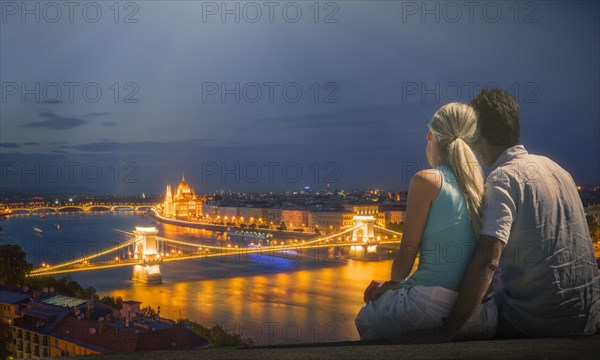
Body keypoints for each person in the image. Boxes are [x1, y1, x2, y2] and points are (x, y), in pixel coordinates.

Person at [404, 88, 600, 343]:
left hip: (535, 323)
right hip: (589, 318)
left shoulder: (503, 178)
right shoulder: (560, 171)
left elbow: (488, 259)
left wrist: (447, 330)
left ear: (478, 134)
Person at [355, 102, 498, 341]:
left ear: (430, 136)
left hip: (430, 308)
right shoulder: (482, 188)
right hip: (482, 313)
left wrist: (393, 285)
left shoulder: (426, 181)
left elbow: (406, 256)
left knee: (367, 317)